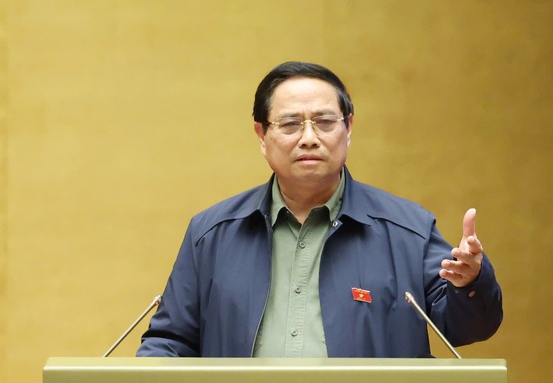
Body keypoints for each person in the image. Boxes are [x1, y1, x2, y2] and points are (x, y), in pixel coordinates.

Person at [137, 61, 502, 358]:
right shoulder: (212, 234)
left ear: (348, 128)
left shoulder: (408, 230)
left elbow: (468, 328)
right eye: (290, 124)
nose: (309, 138)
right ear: (261, 135)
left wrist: (470, 282)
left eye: (325, 123)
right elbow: (171, 341)